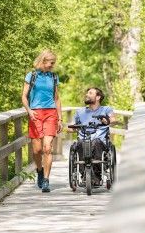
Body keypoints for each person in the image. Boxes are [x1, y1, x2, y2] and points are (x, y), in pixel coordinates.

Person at [21, 49, 63, 192]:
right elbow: (24, 96)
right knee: (37, 150)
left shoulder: (53, 77)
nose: (53, 65)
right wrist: (29, 110)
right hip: (36, 114)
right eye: (51, 63)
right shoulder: (31, 76)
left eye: (53, 63)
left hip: (51, 114)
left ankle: (46, 180)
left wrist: (60, 118)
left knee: (47, 147)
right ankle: (39, 170)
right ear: (43, 61)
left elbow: (57, 99)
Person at [68, 87, 116, 185]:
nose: (87, 95)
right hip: (83, 139)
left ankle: (96, 176)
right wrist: (72, 128)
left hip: (100, 141)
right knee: (81, 143)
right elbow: (70, 127)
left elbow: (114, 120)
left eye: (90, 93)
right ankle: (85, 175)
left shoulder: (106, 109)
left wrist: (107, 121)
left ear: (98, 97)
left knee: (96, 142)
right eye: (87, 93)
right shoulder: (80, 112)